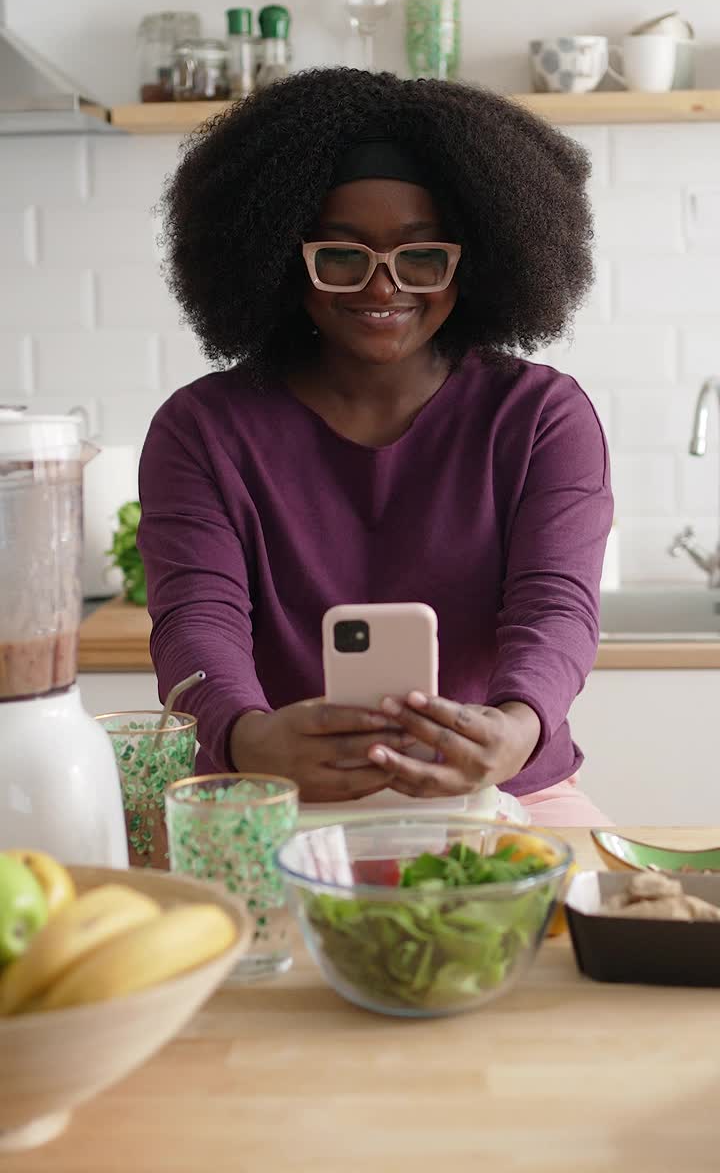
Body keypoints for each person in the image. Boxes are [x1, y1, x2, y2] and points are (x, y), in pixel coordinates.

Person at [137, 68, 613, 826]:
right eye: (342, 256)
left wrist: (518, 729)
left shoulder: (541, 417)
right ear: (285, 258)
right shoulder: (202, 430)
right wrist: (249, 737)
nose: (384, 287)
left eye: (422, 257)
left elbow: (557, 609)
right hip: (269, 795)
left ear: (474, 260)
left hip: (509, 790)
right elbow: (196, 622)